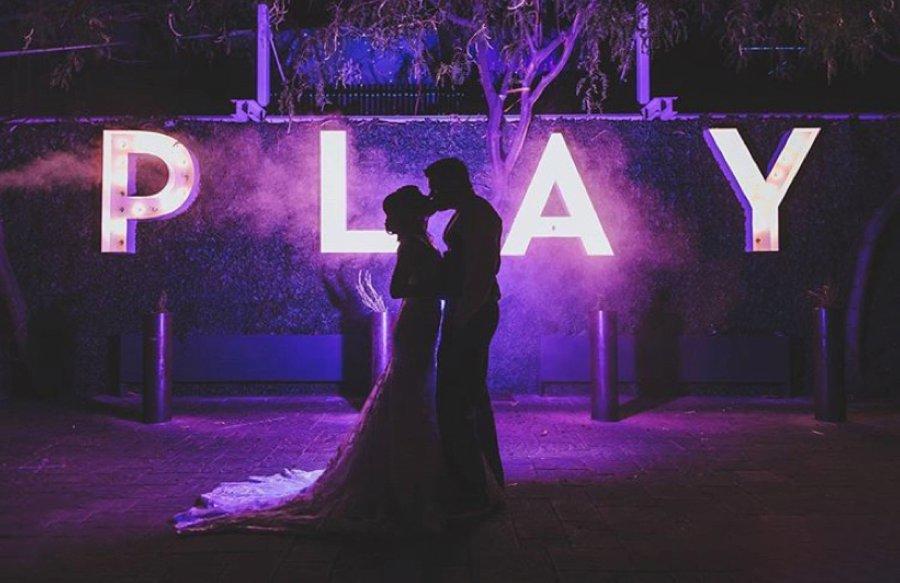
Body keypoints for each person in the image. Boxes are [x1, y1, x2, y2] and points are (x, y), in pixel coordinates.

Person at [172, 186, 446, 535]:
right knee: (411, 387)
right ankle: (407, 472)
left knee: (414, 388)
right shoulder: (411, 245)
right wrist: (439, 284)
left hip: (422, 319)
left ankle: (406, 467)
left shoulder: (421, 242)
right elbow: (396, 289)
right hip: (417, 319)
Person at [425, 158, 505, 514]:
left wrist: (462, 316)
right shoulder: (470, 211)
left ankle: (475, 486)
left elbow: (481, 272)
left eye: (436, 188)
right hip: (466, 310)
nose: (432, 195)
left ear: (451, 184)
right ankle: (480, 480)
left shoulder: (478, 215)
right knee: (468, 396)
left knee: (459, 400)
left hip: (471, 312)